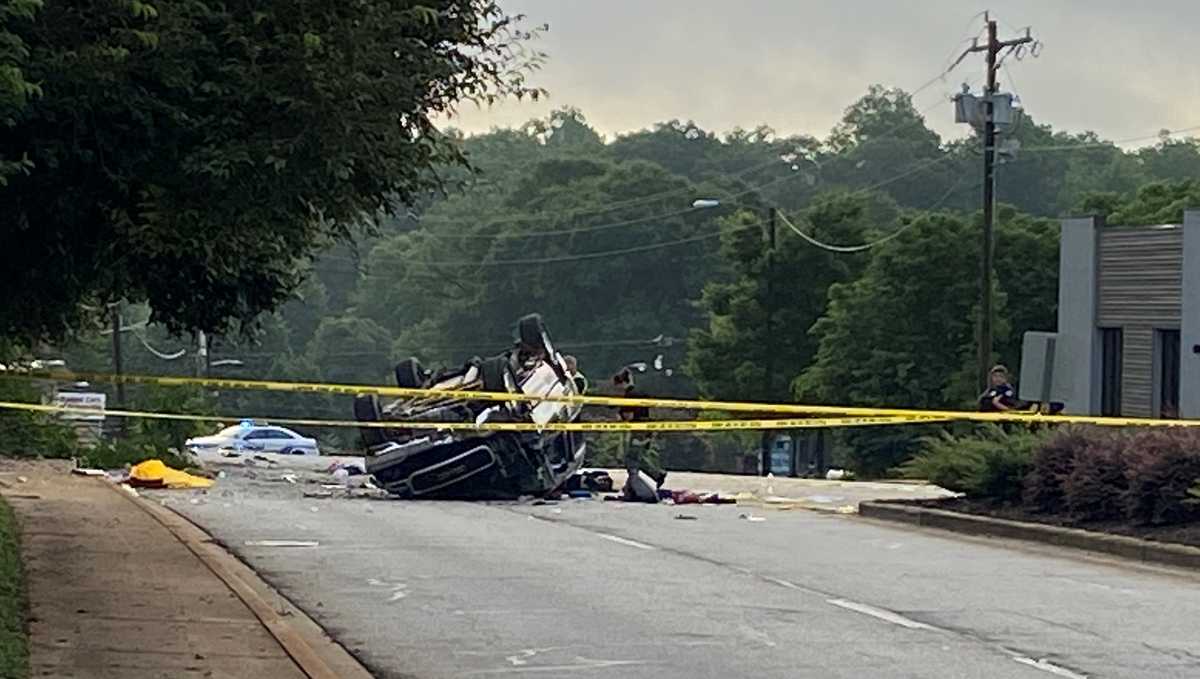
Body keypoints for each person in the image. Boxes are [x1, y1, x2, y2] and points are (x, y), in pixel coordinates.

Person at [613, 369, 667, 501]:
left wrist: (619, 416)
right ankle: (633, 485)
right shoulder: (640, 392)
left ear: (622, 383)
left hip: (638, 431)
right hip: (647, 429)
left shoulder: (629, 396)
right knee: (638, 456)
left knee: (632, 458)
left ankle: (656, 474)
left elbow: (628, 415)